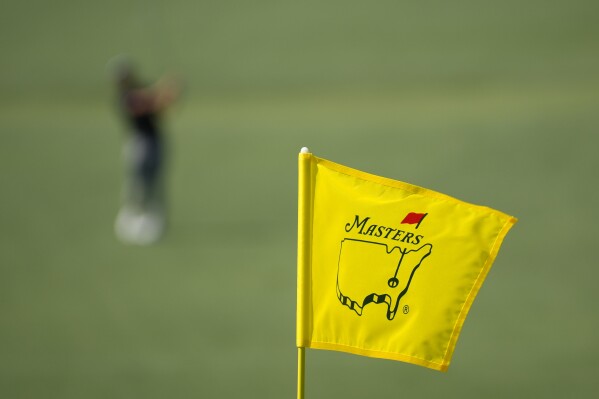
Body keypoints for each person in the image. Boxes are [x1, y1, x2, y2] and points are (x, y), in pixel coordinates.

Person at [111, 59, 180, 245]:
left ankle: (153, 222)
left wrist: (170, 94)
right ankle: (130, 219)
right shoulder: (124, 97)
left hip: (155, 141)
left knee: (155, 181)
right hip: (139, 143)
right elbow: (145, 103)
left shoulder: (143, 88)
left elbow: (160, 108)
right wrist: (164, 87)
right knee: (136, 182)